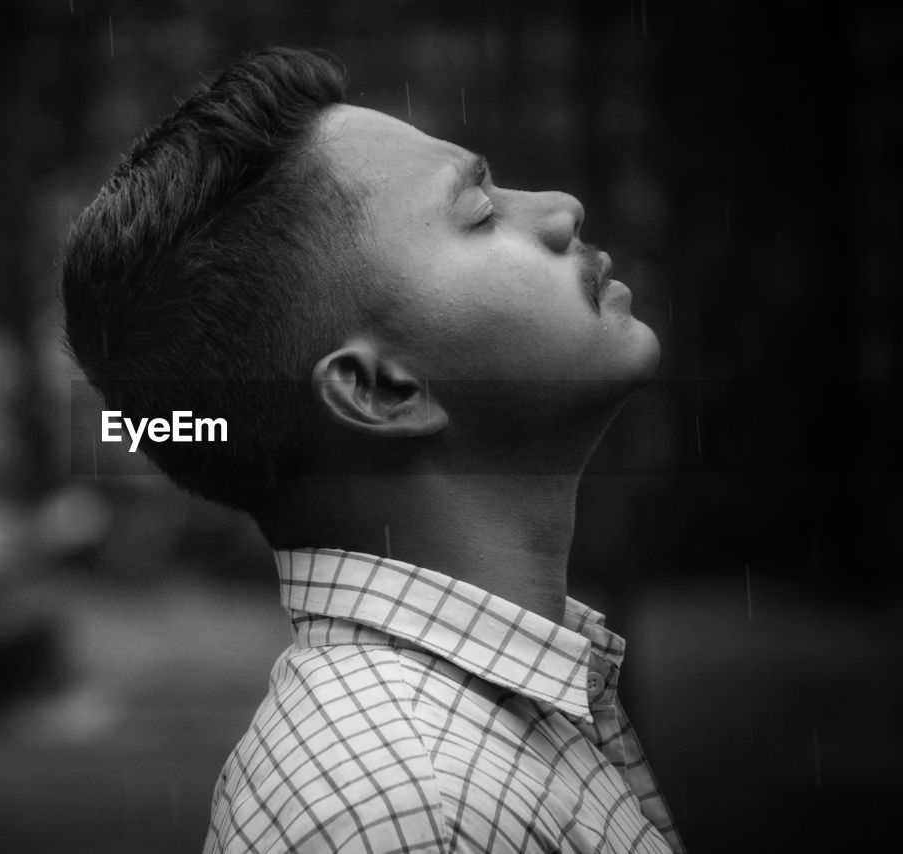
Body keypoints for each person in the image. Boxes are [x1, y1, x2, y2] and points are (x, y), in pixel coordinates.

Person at [62, 47, 684, 854]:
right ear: (382, 389)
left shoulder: (450, 757)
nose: (561, 210)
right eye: (481, 213)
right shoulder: (409, 806)